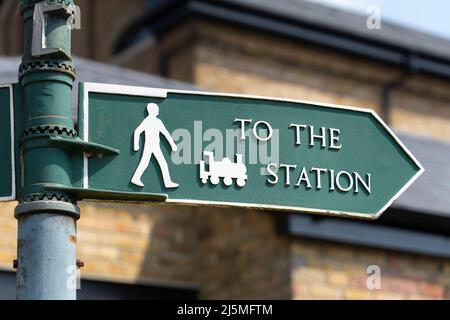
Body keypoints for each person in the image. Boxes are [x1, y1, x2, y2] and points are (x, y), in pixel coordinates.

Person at [131, 103, 179, 188]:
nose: (158, 112)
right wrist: (136, 144)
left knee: (159, 163)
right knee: (147, 162)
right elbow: (137, 131)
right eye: (156, 110)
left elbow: (165, 133)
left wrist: (172, 145)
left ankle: (167, 182)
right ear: (152, 111)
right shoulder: (149, 121)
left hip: (155, 146)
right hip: (149, 146)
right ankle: (136, 178)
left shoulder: (157, 121)